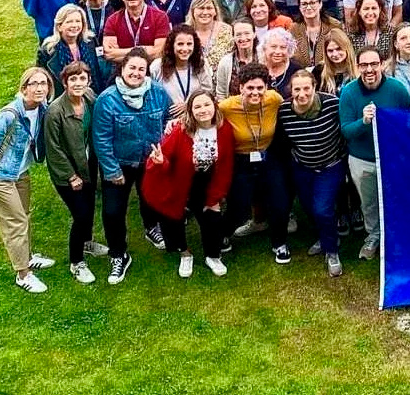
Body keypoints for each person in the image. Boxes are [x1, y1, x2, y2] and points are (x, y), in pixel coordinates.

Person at [0, 67, 54, 293]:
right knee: (16, 222)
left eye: (43, 83)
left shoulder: (42, 108)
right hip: (1, 176)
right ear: (24, 87)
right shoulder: (9, 115)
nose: (39, 88)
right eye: (34, 83)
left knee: (25, 215)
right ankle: (23, 274)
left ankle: (27, 256)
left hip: (21, 172)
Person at [93, 49, 172, 283]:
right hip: (119, 163)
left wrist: (162, 153)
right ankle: (119, 254)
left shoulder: (158, 93)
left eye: (141, 69)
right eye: (132, 68)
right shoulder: (107, 100)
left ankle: (151, 228)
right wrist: (111, 170)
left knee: (150, 200)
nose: (136, 73)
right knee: (112, 211)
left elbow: (168, 122)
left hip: (149, 161)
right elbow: (101, 138)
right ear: (122, 69)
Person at [142, 90, 234, 278]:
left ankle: (213, 256)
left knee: (212, 218)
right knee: (173, 220)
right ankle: (184, 253)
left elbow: (226, 165)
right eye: (197, 106)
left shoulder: (224, 129)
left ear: (214, 105)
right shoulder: (180, 130)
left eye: (206, 105)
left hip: (207, 182)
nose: (202, 110)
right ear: (190, 111)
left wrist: (216, 195)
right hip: (179, 181)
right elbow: (164, 158)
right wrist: (160, 161)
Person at [339, 46, 410, 259]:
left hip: (392, 158)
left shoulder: (397, 90)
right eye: (363, 65)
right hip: (362, 159)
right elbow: (346, 131)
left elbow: (407, 123)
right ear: (357, 66)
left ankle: (397, 237)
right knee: (369, 201)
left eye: (373, 64)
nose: (369, 69)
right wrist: (364, 122)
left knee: (396, 198)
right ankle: (373, 235)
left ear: (382, 64)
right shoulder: (349, 92)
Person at [218, 64, 290, 263]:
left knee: (279, 202)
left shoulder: (274, 99)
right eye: (250, 88)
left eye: (260, 88)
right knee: (238, 207)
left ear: (266, 87)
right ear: (240, 87)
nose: (255, 92)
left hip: (268, 157)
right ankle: (223, 233)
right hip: (241, 160)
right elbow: (205, 120)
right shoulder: (227, 106)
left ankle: (280, 243)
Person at [44, 62, 108, 284]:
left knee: (89, 209)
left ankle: (87, 242)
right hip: (67, 173)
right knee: (80, 215)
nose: (78, 83)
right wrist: (71, 176)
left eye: (82, 78)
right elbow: (54, 149)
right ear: (65, 82)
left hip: (88, 165)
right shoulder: (55, 112)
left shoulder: (90, 98)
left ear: (88, 81)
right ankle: (76, 262)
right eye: (73, 79)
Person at [277, 70, 345, 277]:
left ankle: (332, 252)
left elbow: (345, 129)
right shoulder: (284, 111)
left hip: (330, 165)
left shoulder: (332, 104)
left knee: (322, 209)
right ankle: (326, 236)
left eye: (307, 88)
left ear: (314, 87)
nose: (302, 93)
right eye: (297, 89)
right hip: (302, 166)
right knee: (309, 207)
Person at [38, 4, 107, 96]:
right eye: (69, 22)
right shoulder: (48, 50)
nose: (74, 25)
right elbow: (41, 78)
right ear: (59, 26)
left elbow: (98, 71)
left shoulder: (91, 41)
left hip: (91, 94)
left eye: (78, 21)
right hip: (62, 98)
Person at [102, 0, 171, 62]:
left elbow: (158, 53)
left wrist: (120, 52)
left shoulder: (160, 17)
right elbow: (109, 54)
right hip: (122, 71)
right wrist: (143, 49)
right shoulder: (112, 20)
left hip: (152, 71)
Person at [149, 24, 214, 115]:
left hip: (195, 118)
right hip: (166, 119)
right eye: (180, 44)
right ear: (172, 45)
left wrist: (188, 104)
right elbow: (152, 96)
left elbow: (207, 92)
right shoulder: (157, 66)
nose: (185, 49)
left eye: (189, 44)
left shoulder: (201, 64)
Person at [290, 0, 343, 68]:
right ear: (300, 7)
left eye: (312, 3)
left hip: (329, 73)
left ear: (320, 4)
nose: (308, 7)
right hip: (301, 76)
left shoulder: (334, 26)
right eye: (304, 4)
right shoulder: (293, 29)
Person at [187, 0, 234, 74]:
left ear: (215, 11)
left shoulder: (227, 31)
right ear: (193, 11)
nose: (205, 12)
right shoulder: (184, 32)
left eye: (209, 8)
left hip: (221, 81)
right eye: (201, 8)